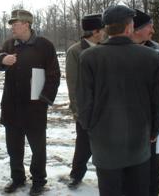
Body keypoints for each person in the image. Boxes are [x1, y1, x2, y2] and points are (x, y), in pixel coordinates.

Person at [78, 5, 159, 196]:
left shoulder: (89, 57)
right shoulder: (150, 57)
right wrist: (154, 130)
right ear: (128, 28)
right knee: (138, 190)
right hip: (139, 142)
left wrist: (90, 128)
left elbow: (84, 102)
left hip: (104, 142)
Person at [0, 9, 60, 195]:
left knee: (38, 149)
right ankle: (17, 178)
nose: (12, 27)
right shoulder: (9, 44)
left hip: (35, 108)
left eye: (15, 24)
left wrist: (44, 100)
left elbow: (54, 75)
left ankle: (38, 181)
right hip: (11, 107)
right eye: (12, 24)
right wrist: (2, 59)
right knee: (13, 148)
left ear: (27, 24)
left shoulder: (44, 45)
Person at [132, 9, 159, 196]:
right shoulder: (117, 50)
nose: (153, 30)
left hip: (152, 120)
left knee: (152, 168)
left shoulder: (156, 49)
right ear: (136, 29)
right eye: (149, 26)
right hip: (127, 121)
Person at [64, 13, 106, 188]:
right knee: (83, 144)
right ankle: (76, 175)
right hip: (86, 108)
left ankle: (107, 176)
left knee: (106, 144)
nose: (105, 32)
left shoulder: (106, 48)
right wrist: (77, 110)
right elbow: (72, 83)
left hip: (105, 106)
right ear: (95, 31)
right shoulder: (75, 51)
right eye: (102, 29)